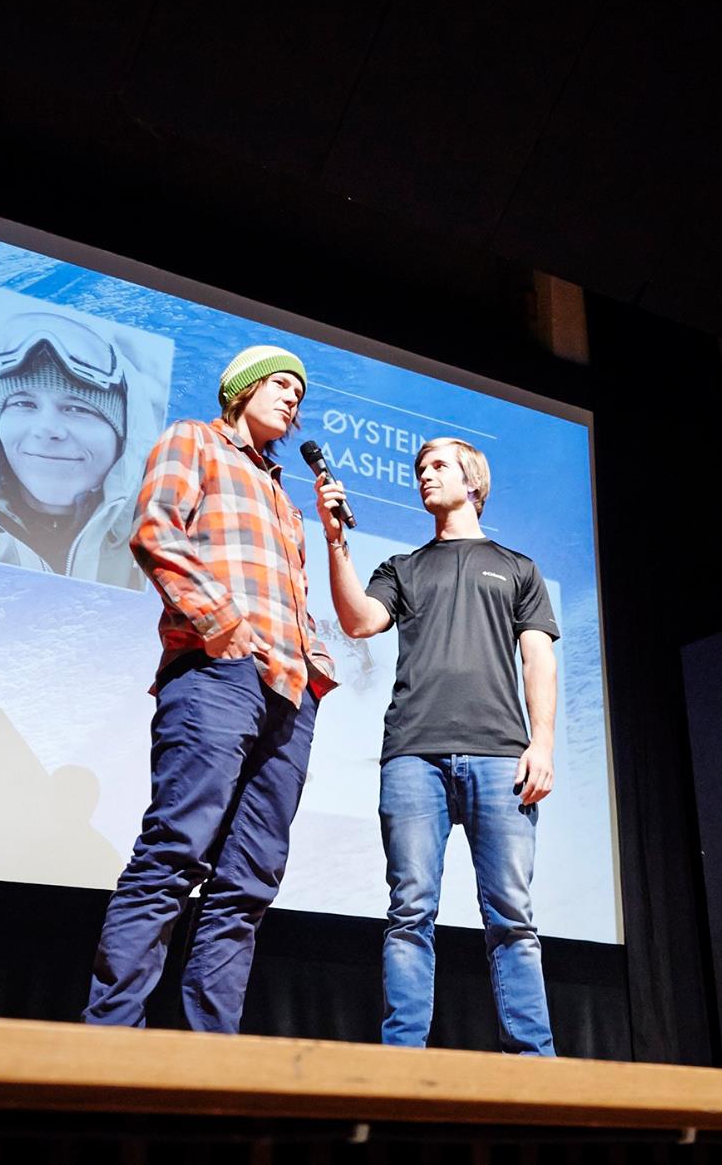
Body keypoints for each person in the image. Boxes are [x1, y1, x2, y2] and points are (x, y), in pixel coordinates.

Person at [83, 345, 337, 1033]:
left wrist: (314, 668)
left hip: (291, 691)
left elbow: (294, 595)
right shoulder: (195, 439)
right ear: (241, 389)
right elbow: (155, 528)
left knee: (250, 880)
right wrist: (222, 624)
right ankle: (110, 1038)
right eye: (280, 384)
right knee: (175, 850)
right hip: (217, 672)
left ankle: (210, 1053)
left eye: (299, 392)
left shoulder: (284, 498)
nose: (292, 397)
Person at [317, 437, 561, 1055]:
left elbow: (538, 659)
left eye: (438, 466)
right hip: (413, 754)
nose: (424, 474)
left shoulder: (518, 568)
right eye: (419, 467)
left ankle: (535, 1066)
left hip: (501, 757)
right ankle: (403, 1061)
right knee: (409, 914)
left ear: (472, 481)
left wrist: (543, 744)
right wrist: (335, 541)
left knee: (513, 918)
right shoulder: (402, 568)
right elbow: (358, 622)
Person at [0, 309, 144, 590]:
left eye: (77, 408)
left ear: (124, 436)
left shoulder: (159, 555)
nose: (46, 429)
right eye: (23, 403)